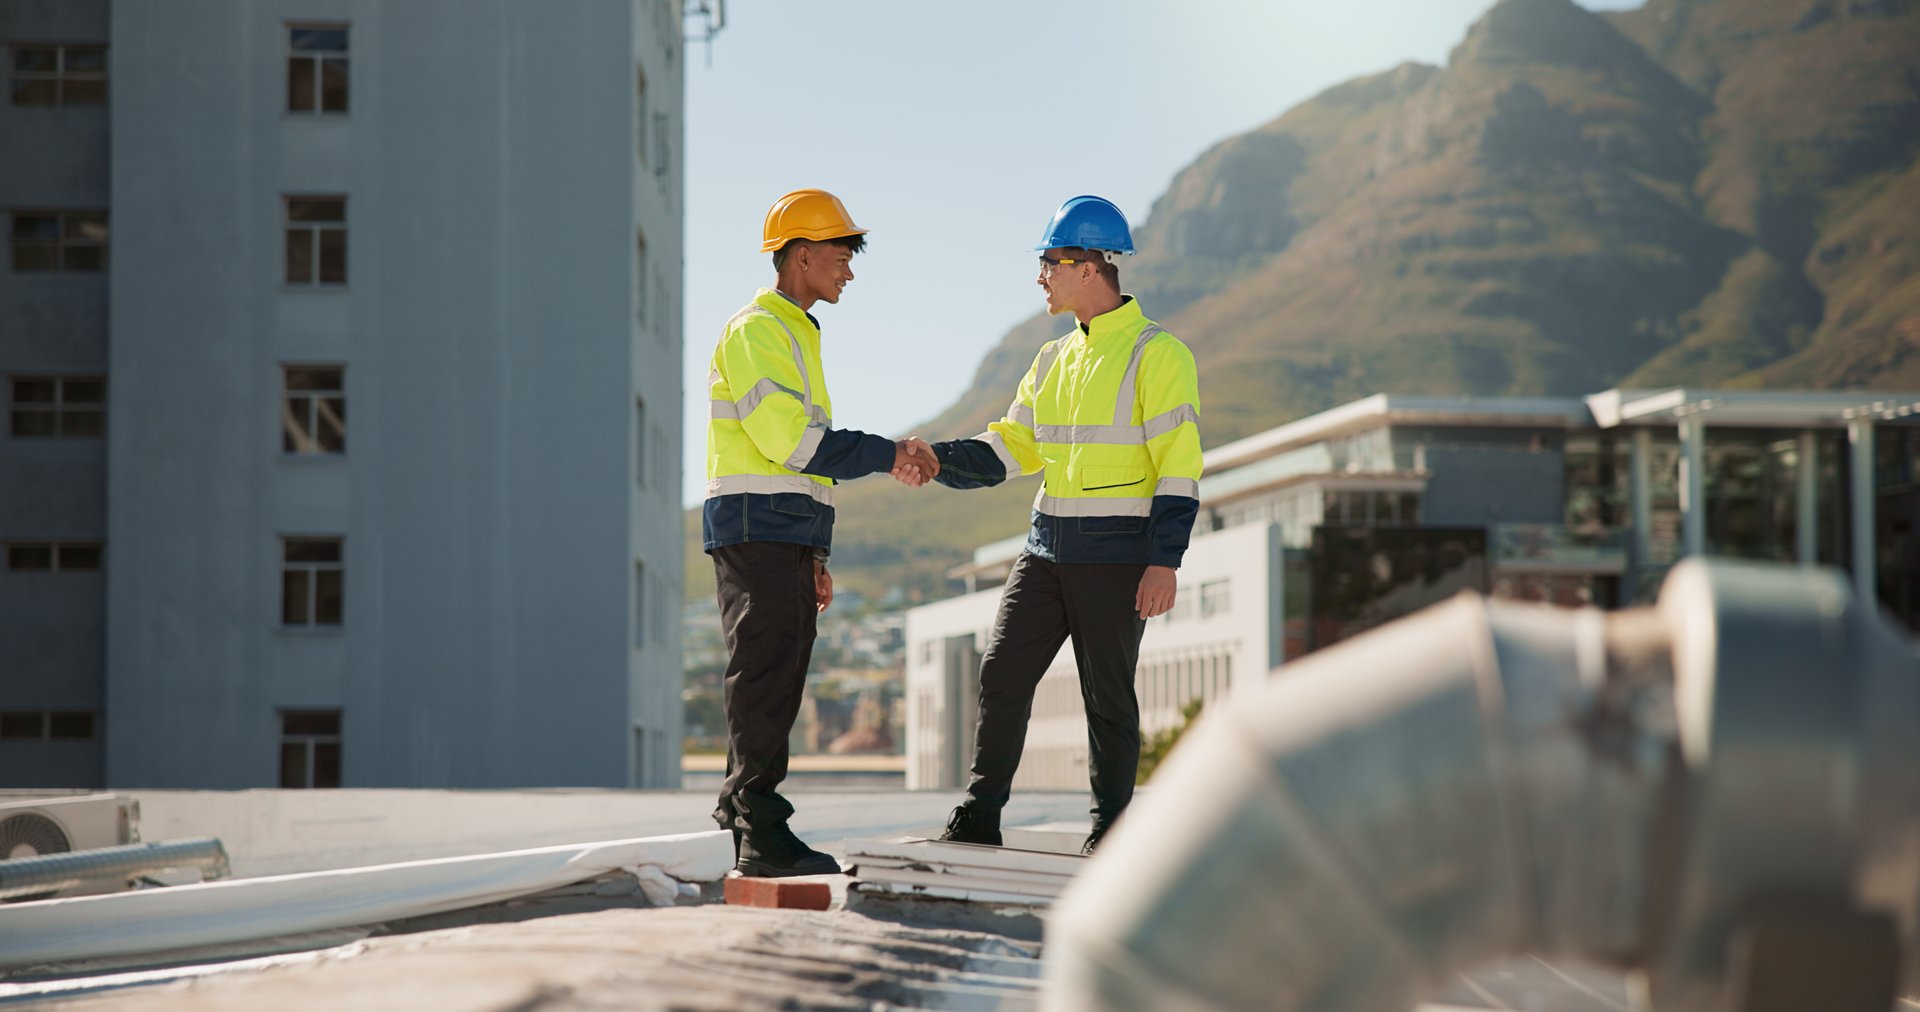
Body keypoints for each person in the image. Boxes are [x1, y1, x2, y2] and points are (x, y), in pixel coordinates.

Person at [929, 195, 1202, 855]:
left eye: (1048, 262)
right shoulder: (1053, 360)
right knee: (1000, 672)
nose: (1040, 276)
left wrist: (1165, 559)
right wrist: (936, 460)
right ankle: (979, 812)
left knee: (1106, 697)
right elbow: (1010, 448)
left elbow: (1179, 466)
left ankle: (1111, 826)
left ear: (1086, 266)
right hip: (1046, 551)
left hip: (1117, 556)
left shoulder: (1158, 354)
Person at [705, 188, 938, 877]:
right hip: (755, 523)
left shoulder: (796, 332)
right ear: (802, 256)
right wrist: (888, 453)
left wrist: (815, 550)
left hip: (783, 529)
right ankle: (758, 828)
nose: (849, 271)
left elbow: (799, 461)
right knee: (764, 677)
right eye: (840, 256)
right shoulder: (757, 330)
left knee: (777, 676)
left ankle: (744, 815)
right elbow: (790, 443)